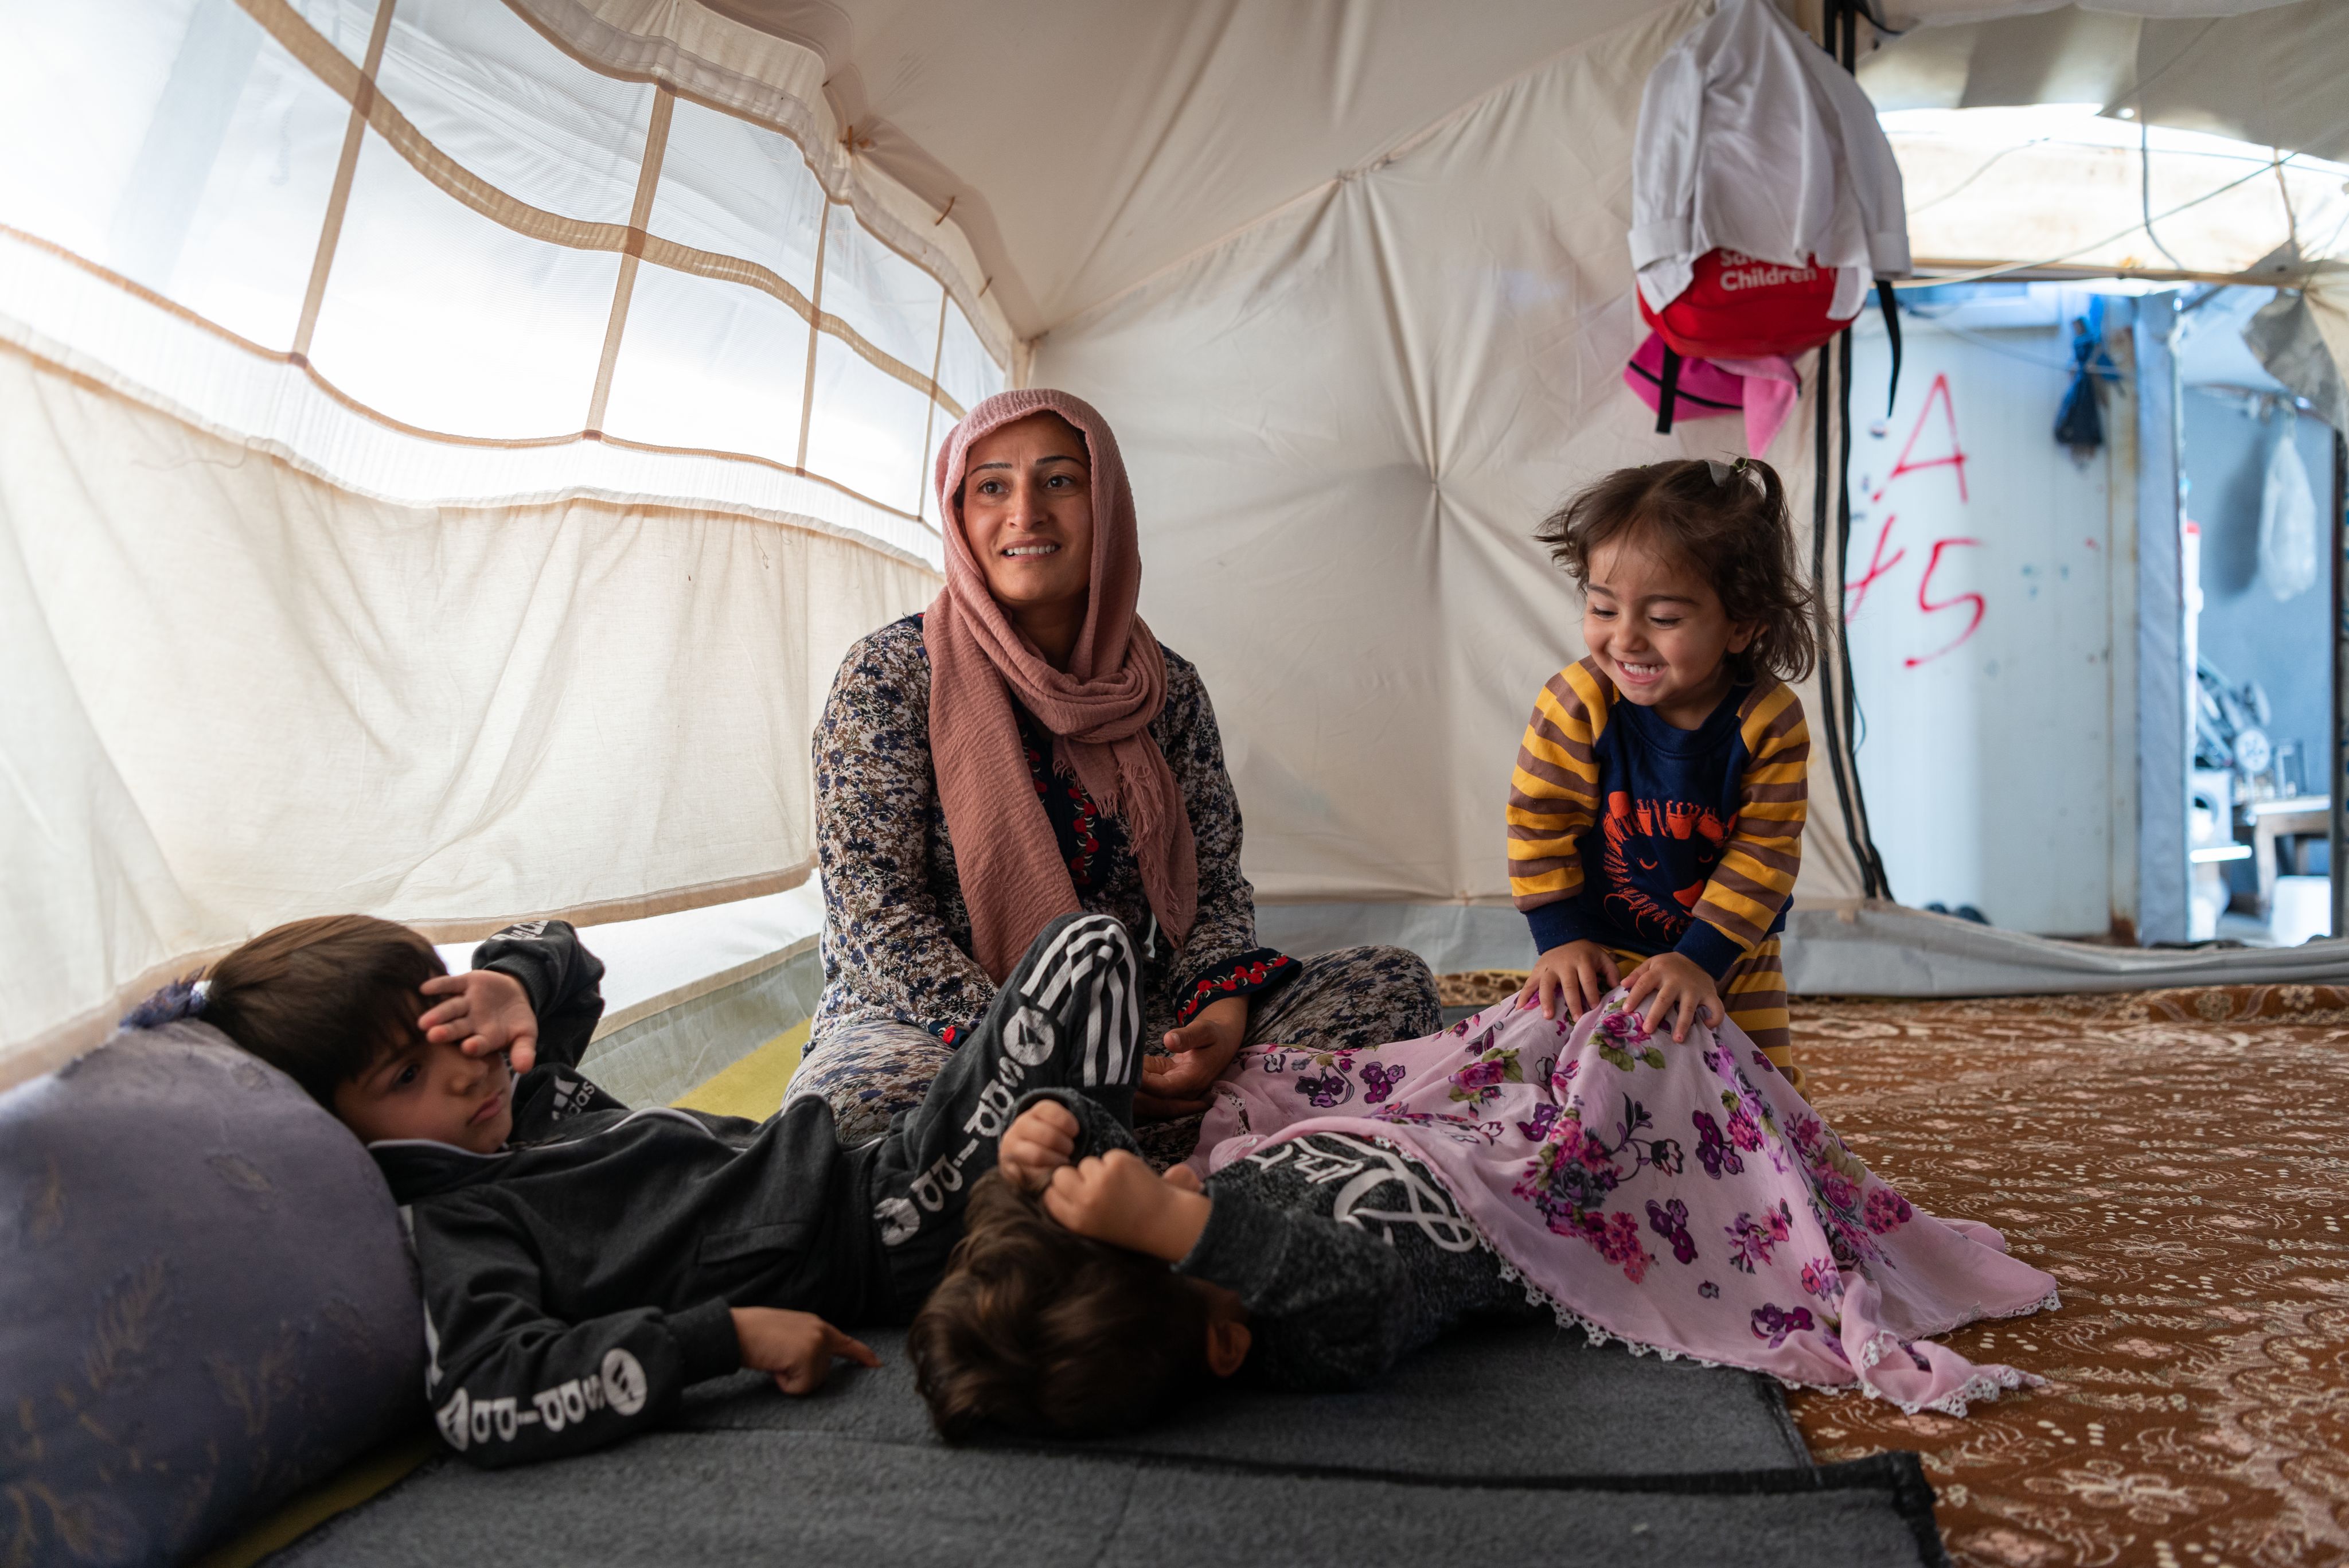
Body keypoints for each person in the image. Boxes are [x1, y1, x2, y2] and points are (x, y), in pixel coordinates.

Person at [149, 908, 1145, 1466]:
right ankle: (1099, 1220)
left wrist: (512, 985)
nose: (465, 1067)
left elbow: (569, 953)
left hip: (861, 1165)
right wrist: (727, 1332)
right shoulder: (460, 1215)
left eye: (447, 1029)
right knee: (1086, 952)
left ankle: (1079, 1207)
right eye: (405, 1076)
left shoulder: (514, 1099)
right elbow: (485, 1394)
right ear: (337, 1128)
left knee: (1079, 989)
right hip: (874, 1223)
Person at [907, 982, 2061, 1437]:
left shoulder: (1191, 1255)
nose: (1164, 1181)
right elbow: (1353, 1287)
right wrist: (1179, 1225)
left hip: (1401, 1118)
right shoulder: (1313, 1330)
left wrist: (1056, 1130)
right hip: (1520, 1187)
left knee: (1512, 1018)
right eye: (1157, 1215)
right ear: (1221, 1332)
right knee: (1642, 1040)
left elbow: (1123, 1190)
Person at [796, 388, 1438, 1156]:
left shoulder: (1164, 689)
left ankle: (1104, 1164)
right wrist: (1052, 1055)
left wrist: (1219, 1007)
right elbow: (880, 923)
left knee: (1390, 988)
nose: (1025, 512)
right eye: (992, 486)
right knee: (852, 1116)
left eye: (1060, 481)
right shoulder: (892, 676)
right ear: (959, 515)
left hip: (1128, 1018)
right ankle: (1187, 1161)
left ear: (1109, 506)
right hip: (932, 1030)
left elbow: (1214, 889)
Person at [1505, 457, 1816, 1085]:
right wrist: (1561, 938)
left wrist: (1701, 960)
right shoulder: (1575, 704)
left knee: (1762, 1089)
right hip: (1600, 945)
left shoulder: (1770, 721)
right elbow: (1539, 823)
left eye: (1664, 618)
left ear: (1741, 625)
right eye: (1602, 607)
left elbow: (1764, 853)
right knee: (1587, 1082)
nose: (1625, 639)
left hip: (1731, 953)